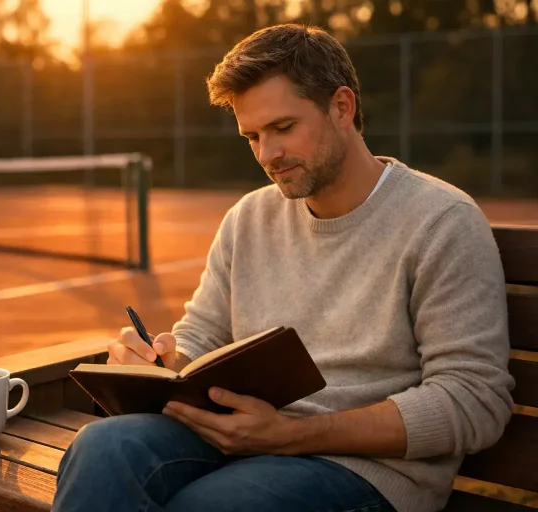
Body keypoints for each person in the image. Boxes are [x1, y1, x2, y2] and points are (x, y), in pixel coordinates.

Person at [52, 23, 514, 512]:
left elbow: (475, 399)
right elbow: (201, 338)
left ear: (342, 107)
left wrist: (291, 434)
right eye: (251, 136)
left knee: (210, 506)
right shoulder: (249, 218)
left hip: (364, 472)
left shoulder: (442, 222)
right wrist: (163, 360)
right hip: (241, 439)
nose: (267, 155)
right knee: (100, 449)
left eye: (282, 128)